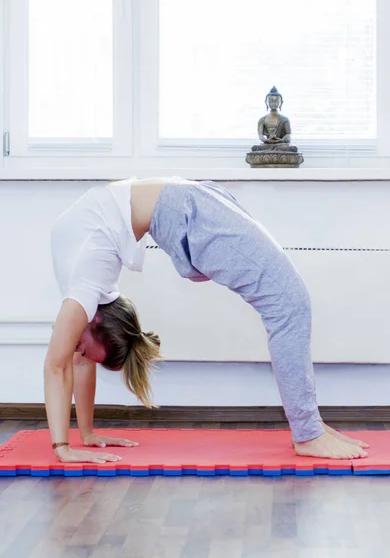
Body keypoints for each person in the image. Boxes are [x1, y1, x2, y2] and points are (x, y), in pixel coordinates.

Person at [45, 177, 368, 464]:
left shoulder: (83, 291)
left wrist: (63, 447)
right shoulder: (91, 293)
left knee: (288, 303)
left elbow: (57, 366)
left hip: (189, 211)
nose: (78, 350)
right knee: (289, 302)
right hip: (186, 202)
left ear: (96, 322)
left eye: (84, 348)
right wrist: (86, 434)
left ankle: (309, 431)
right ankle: (309, 426)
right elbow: (77, 362)